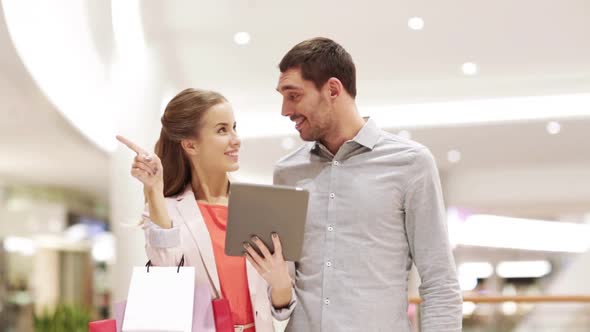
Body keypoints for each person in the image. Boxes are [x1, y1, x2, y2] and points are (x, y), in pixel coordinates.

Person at [273, 37, 462, 331]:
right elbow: (281, 285)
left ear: (333, 89)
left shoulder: (411, 163)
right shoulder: (287, 172)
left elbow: (439, 281)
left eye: (293, 95)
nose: (285, 110)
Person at [117, 88, 296, 332]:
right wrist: (154, 190)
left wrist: (281, 284)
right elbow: (167, 269)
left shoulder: (260, 206)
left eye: (234, 127)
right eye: (222, 130)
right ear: (191, 145)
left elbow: (283, 306)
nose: (236, 139)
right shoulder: (164, 209)